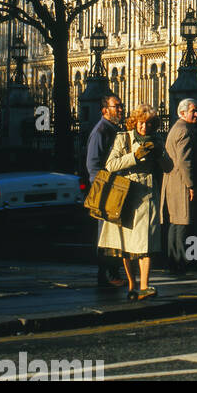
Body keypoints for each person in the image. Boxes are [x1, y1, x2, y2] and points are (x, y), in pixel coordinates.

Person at [98, 103, 163, 300]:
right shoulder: (122, 138)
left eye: (149, 124)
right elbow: (110, 165)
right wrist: (134, 157)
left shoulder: (158, 140)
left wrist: (160, 153)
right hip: (126, 194)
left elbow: (168, 167)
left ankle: (144, 285)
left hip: (147, 194)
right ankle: (132, 286)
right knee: (127, 245)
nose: (145, 127)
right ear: (135, 122)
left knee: (146, 243)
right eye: (142, 123)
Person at [161, 97, 197, 276]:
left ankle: (174, 263)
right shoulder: (184, 131)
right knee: (188, 225)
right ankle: (189, 263)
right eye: (193, 111)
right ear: (182, 113)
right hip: (183, 184)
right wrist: (191, 185)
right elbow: (184, 161)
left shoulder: (177, 129)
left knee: (176, 224)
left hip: (174, 184)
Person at [85, 93, 125, 290]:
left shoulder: (114, 129)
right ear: (104, 110)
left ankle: (112, 272)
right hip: (105, 189)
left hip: (115, 188)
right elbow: (92, 165)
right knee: (105, 234)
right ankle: (106, 274)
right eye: (116, 106)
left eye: (120, 106)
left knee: (114, 233)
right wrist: (103, 189)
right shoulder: (101, 131)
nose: (120, 109)